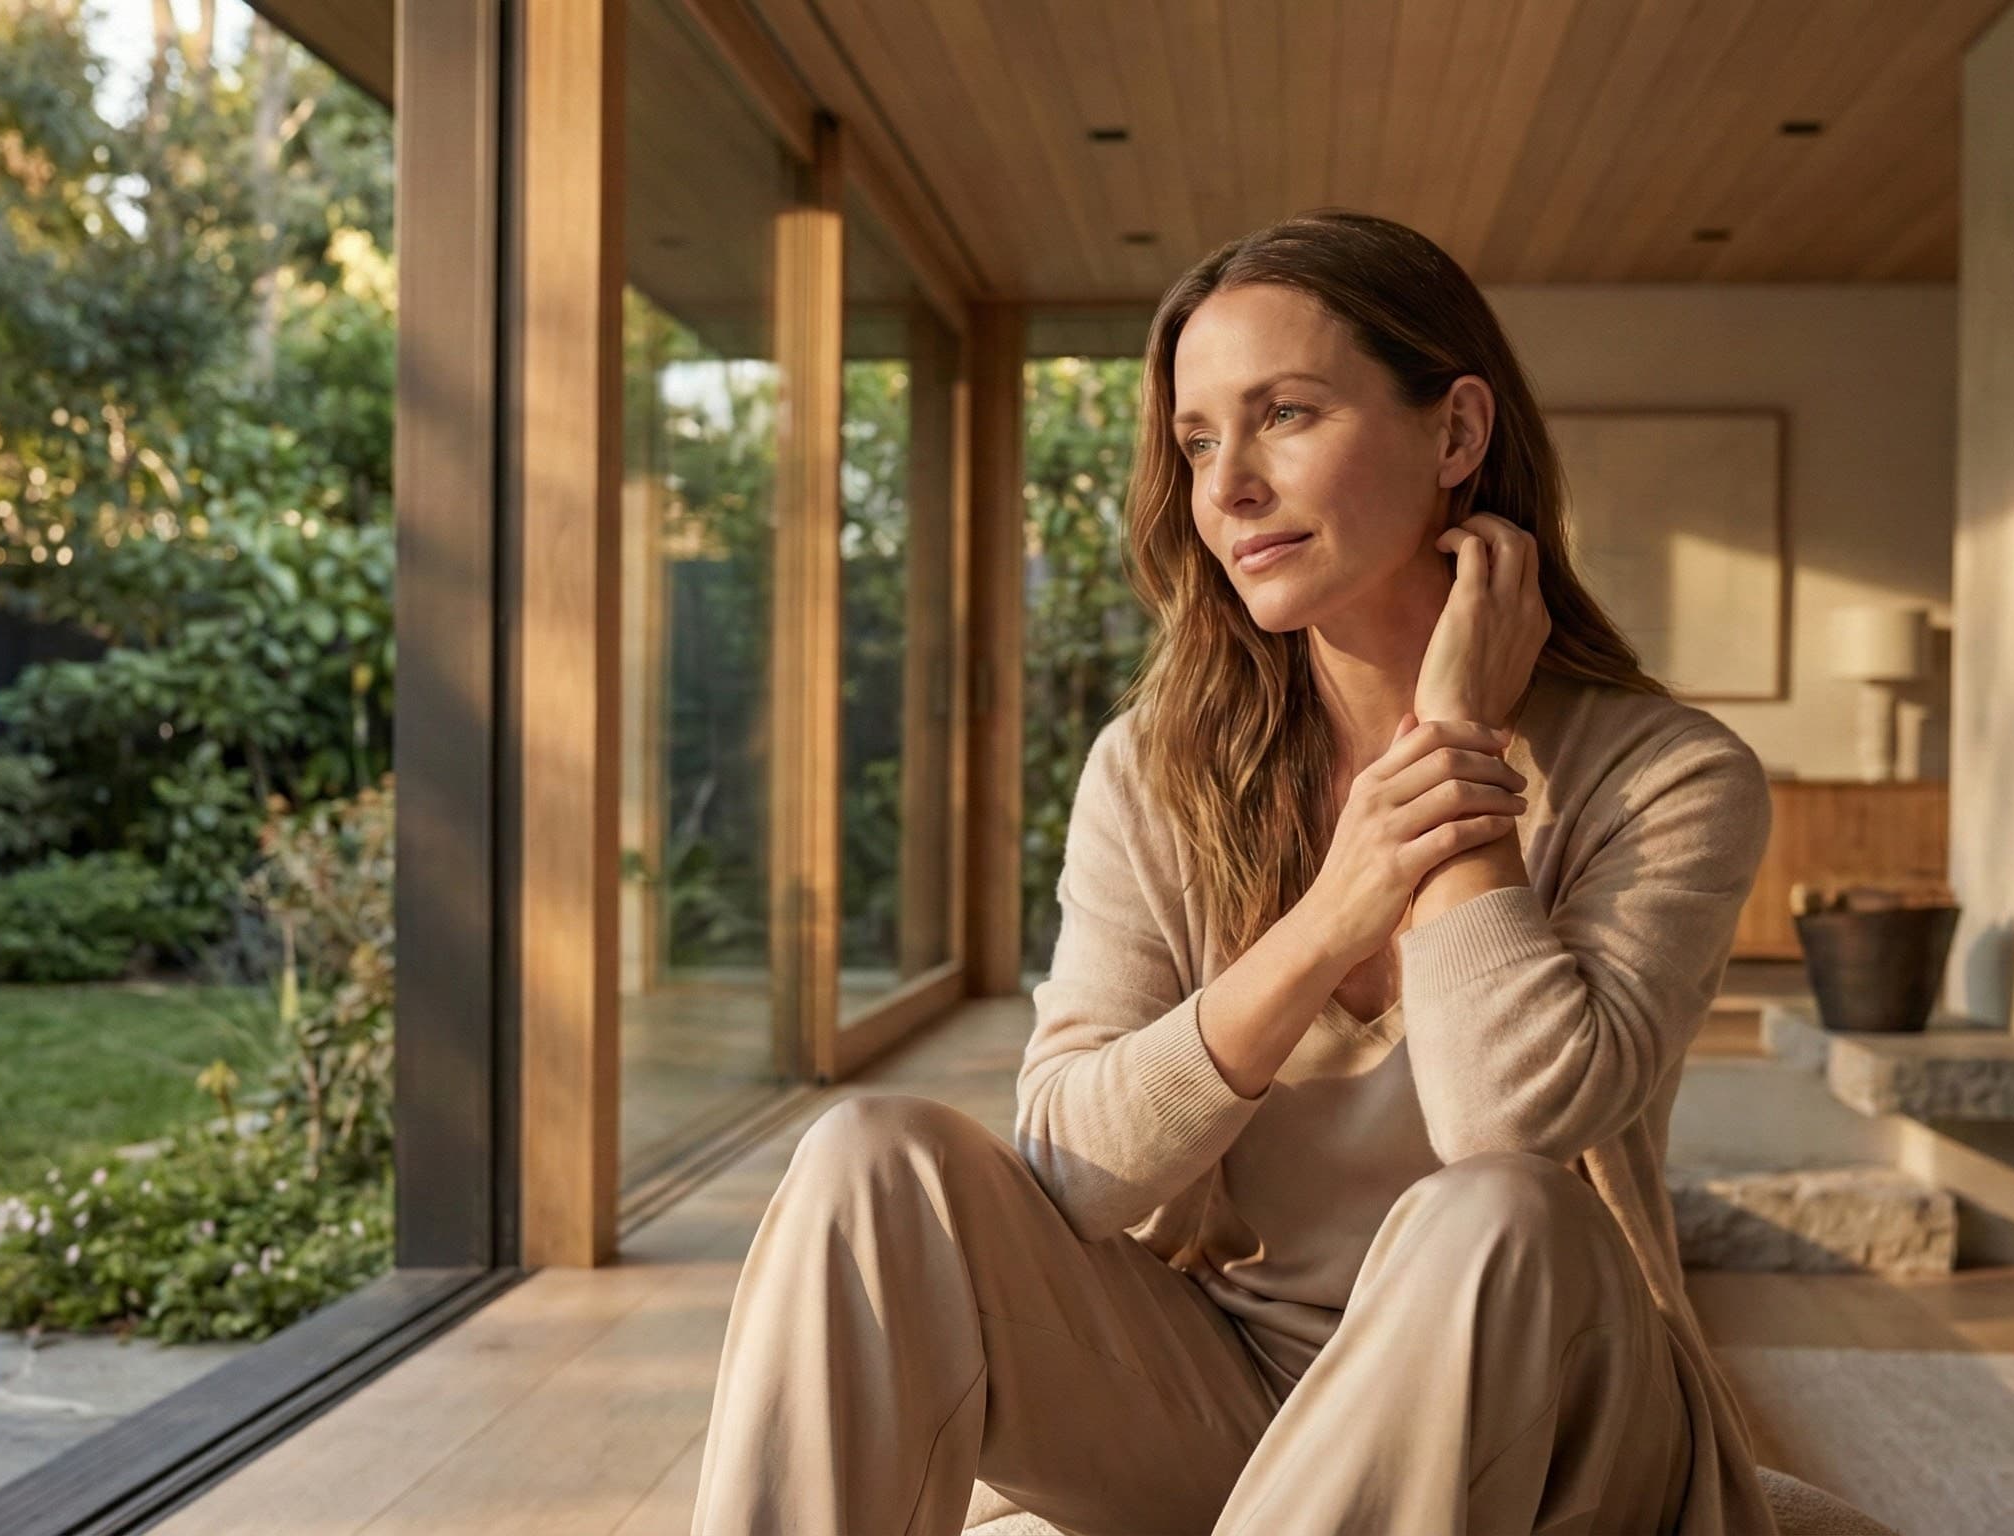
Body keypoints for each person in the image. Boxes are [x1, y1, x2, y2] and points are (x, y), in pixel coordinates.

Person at [690, 209, 1780, 1536]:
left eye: (1287, 417)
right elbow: (1074, 1167)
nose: (1226, 489)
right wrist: (1332, 916)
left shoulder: (1669, 776)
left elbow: (1514, 1127)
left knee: (1498, 1214)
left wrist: (1456, 759)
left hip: (1552, 1415)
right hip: (1231, 1395)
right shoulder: (1155, 770)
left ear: (1456, 433)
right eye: (1199, 441)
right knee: (873, 1156)